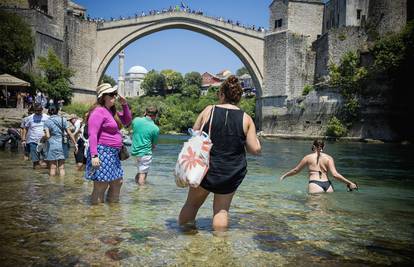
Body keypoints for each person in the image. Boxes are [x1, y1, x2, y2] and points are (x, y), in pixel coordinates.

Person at [178, 75, 261, 232]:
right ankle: (219, 248)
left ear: (222, 95)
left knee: (192, 204)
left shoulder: (209, 110)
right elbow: (254, 149)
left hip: (205, 169)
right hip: (231, 171)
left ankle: (185, 240)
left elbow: (195, 131)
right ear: (239, 97)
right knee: (221, 210)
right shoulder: (246, 118)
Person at [85, 83, 132, 204]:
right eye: (111, 94)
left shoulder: (111, 112)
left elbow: (127, 121)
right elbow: (92, 134)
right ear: (103, 97)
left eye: (114, 94)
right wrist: (94, 155)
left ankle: (113, 213)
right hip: (102, 152)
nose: (114, 96)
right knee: (101, 186)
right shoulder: (98, 111)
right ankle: (97, 215)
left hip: (113, 153)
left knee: (118, 182)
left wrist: (124, 104)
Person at [279, 139, 358, 193]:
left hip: (315, 184)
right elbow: (335, 175)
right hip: (328, 185)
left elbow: (296, 170)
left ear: (313, 146)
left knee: (314, 213)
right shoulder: (329, 158)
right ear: (324, 147)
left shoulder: (308, 157)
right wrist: (349, 183)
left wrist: (284, 176)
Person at [43, 105, 77, 176]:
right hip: (62, 145)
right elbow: (69, 133)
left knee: (52, 168)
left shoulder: (47, 122)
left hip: (52, 145)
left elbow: (48, 136)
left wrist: (42, 139)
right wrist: (75, 144)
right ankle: (62, 185)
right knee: (62, 168)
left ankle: (53, 185)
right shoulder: (63, 120)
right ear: (57, 111)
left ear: (49, 112)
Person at [131, 106, 160, 186]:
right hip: (145, 153)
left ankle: (135, 188)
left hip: (134, 152)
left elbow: (133, 130)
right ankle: (142, 194)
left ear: (145, 112)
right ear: (155, 115)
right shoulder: (155, 128)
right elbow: (154, 145)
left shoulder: (136, 120)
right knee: (143, 175)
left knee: (140, 172)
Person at [21, 103, 49, 169]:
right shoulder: (29, 118)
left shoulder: (47, 117)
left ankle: (45, 176)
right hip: (33, 141)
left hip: (44, 141)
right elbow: (25, 128)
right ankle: (36, 176)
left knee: (48, 159)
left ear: (42, 110)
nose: (37, 112)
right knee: (35, 161)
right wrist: (23, 139)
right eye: (36, 110)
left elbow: (51, 128)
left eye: (39, 110)